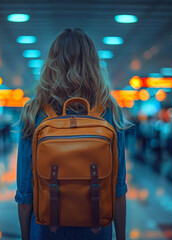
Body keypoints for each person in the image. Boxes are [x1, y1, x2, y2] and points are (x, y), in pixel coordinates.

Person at [15, 28, 127, 240]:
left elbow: (25, 192)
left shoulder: (34, 112)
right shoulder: (110, 112)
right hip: (97, 229)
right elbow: (118, 189)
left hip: (47, 229)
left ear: (52, 63)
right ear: (93, 64)